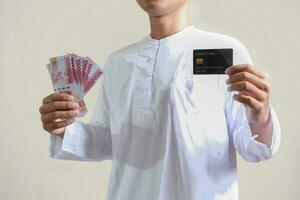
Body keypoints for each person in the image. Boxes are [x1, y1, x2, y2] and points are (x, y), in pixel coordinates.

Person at [39, 0, 281, 199]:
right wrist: (63, 128)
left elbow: (253, 149)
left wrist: (261, 116)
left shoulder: (226, 51)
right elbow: (110, 141)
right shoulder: (119, 62)